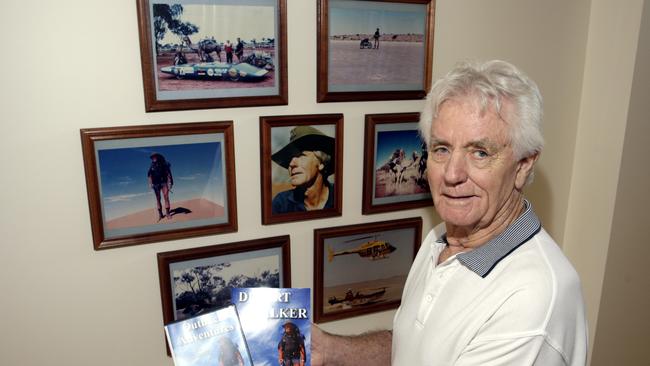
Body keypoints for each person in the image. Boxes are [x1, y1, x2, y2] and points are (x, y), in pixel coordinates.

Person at [311, 60, 588, 365]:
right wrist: (329, 350)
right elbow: (415, 349)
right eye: (441, 149)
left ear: (523, 166)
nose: (452, 174)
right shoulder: (442, 238)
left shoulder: (533, 299)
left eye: (480, 153)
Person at [271, 126, 335, 214]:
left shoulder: (341, 196)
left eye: (300, 156)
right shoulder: (281, 204)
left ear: (321, 163)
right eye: (290, 159)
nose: (291, 164)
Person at [147, 152, 173, 221]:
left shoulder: (164, 164)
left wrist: (170, 182)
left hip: (163, 183)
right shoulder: (151, 166)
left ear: (158, 157)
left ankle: (167, 213)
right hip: (156, 184)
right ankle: (160, 214)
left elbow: (168, 174)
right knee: (158, 199)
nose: (153, 158)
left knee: (166, 197)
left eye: (155, 156)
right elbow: (149, 175)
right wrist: (150, 183)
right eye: (152, 157)